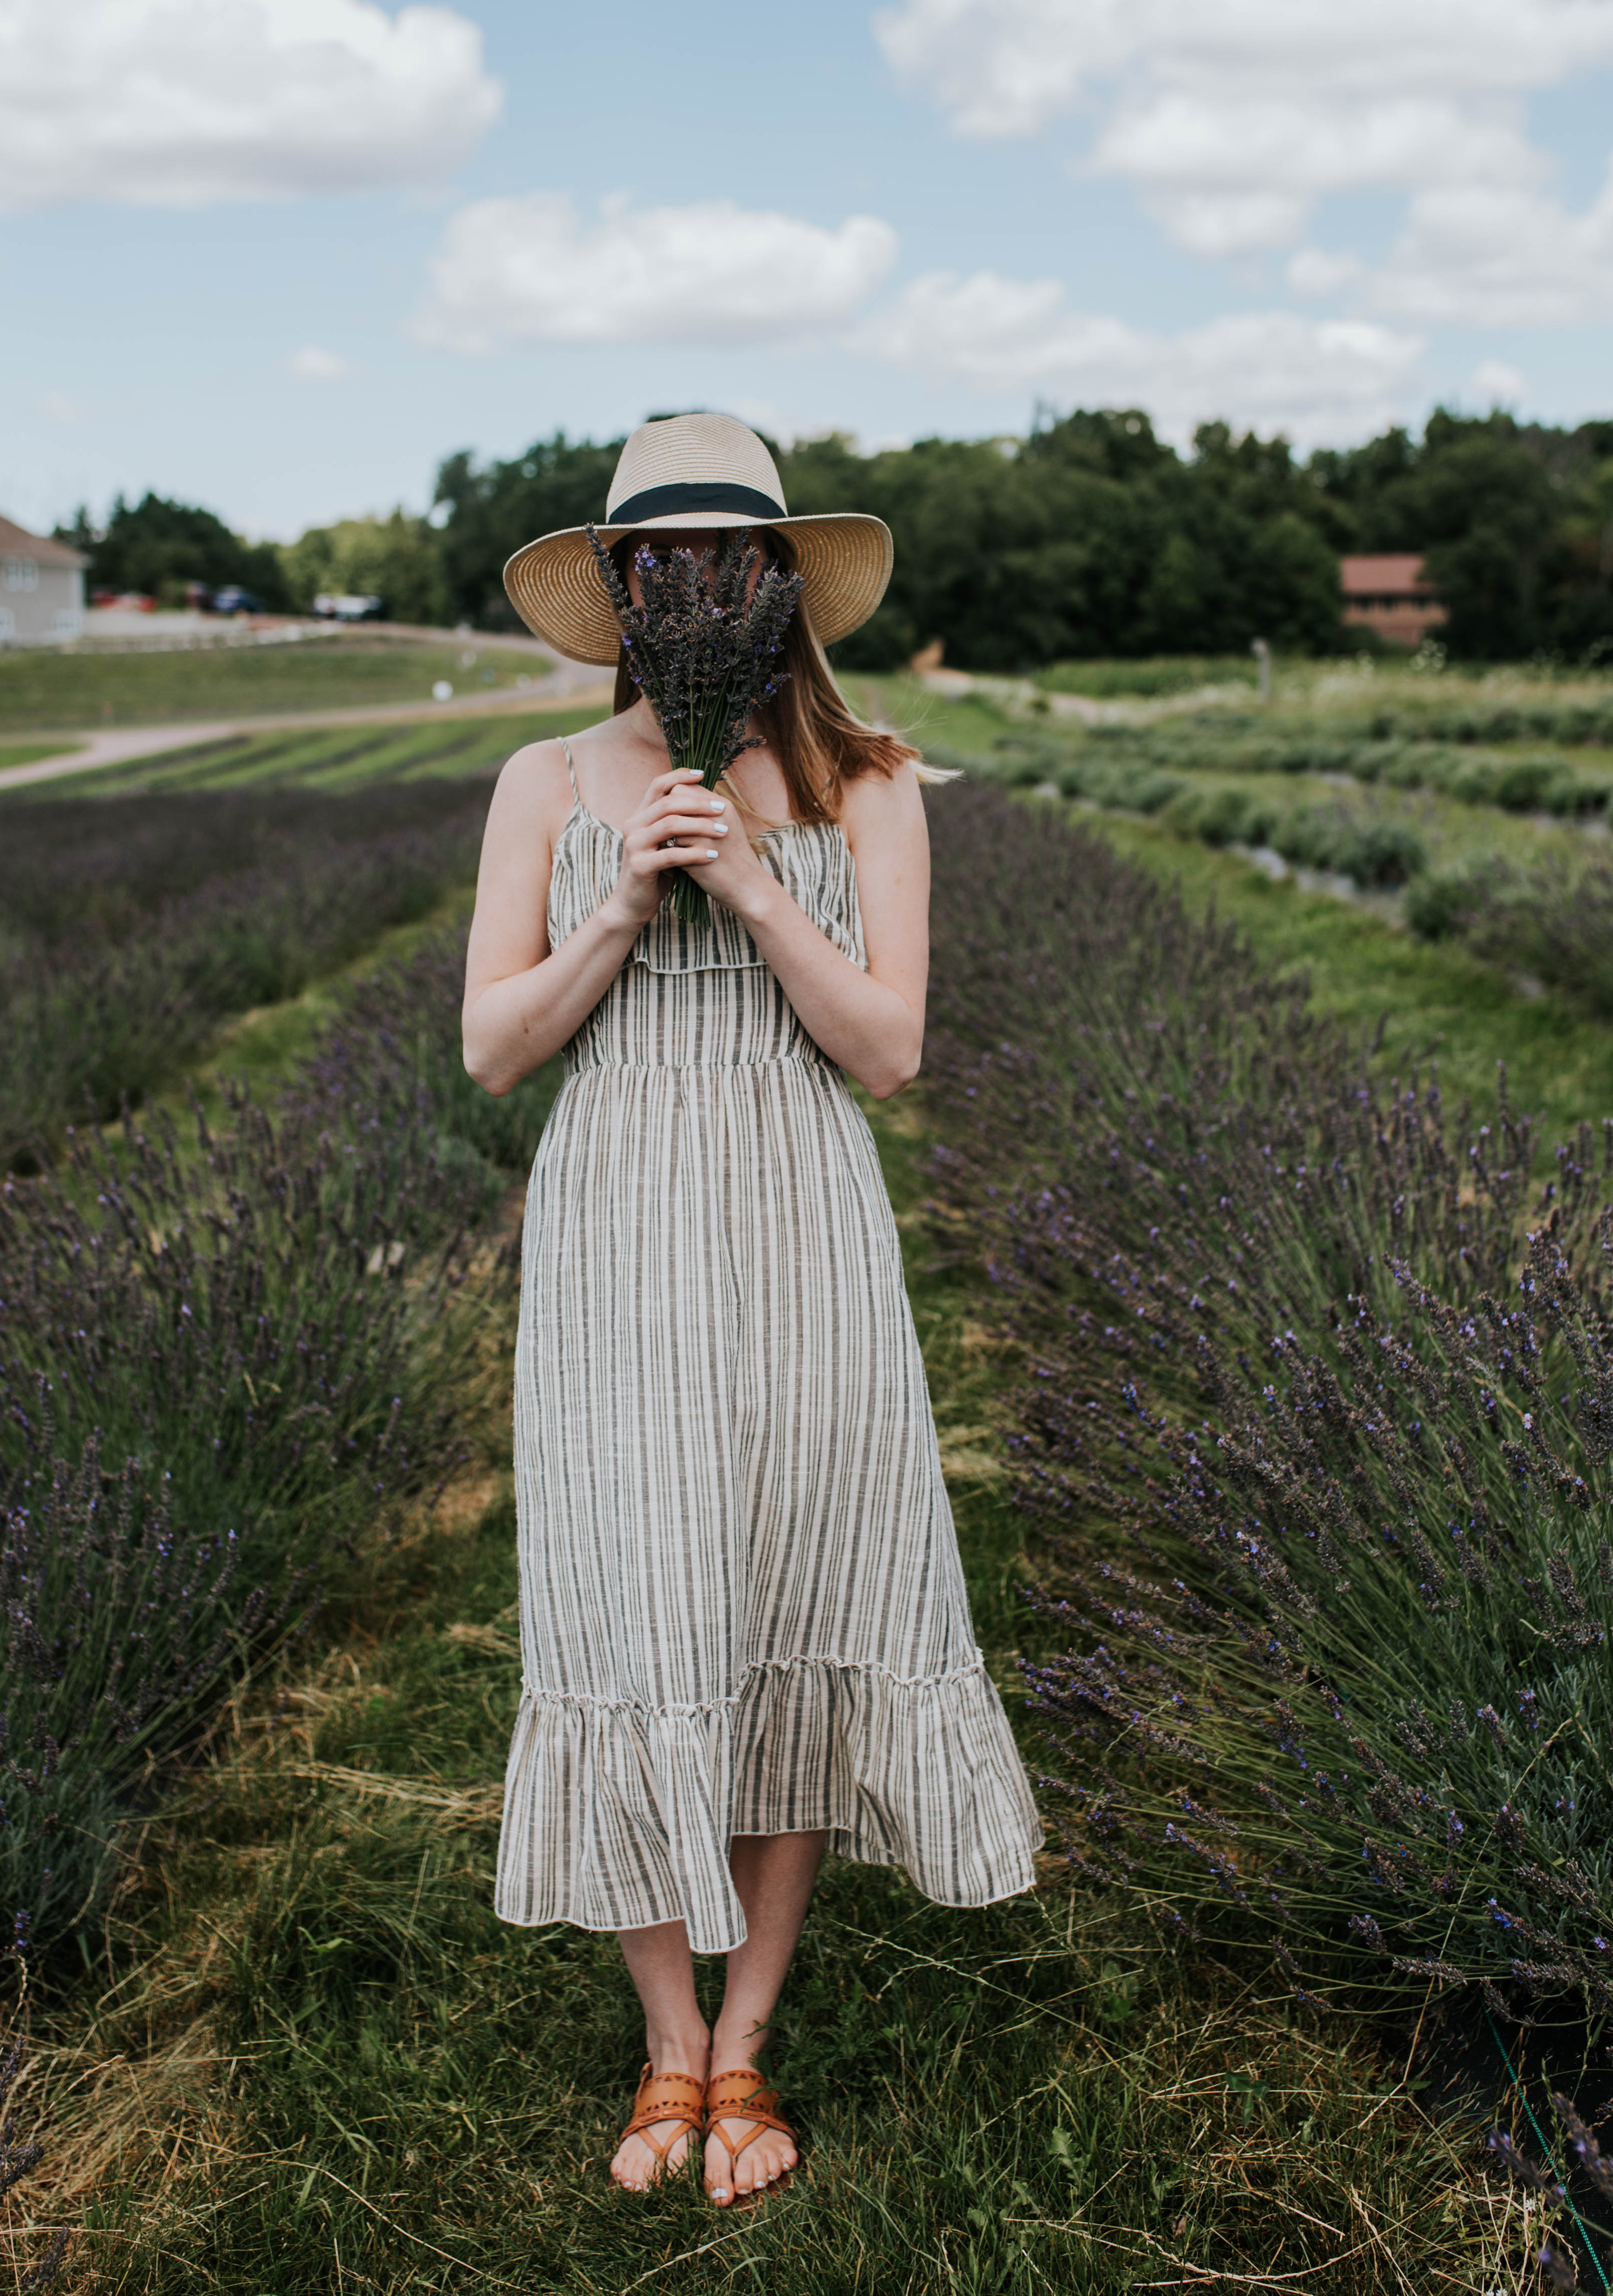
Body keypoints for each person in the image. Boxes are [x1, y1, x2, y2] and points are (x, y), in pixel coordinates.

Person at [463, 414, 1042, 2208]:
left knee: (797, 1583)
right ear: (624, 593)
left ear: (776, 583)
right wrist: (624, 907)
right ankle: (659, 2037)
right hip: (618, 1221)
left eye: (723, 559)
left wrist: (749, 891)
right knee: (632, 1593)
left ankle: (744, 2042)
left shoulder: (870, 777)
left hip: (796, 1217)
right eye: (658, 564)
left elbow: (888, 1049)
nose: (691, 587)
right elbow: (492, 1052)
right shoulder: (546, 784)